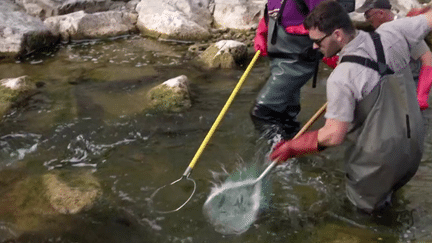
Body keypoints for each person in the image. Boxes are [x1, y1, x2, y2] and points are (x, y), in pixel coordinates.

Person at [270, 0, 432, 214]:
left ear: (337, 35)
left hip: (378, 164)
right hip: (413, 152)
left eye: (318, 42)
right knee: (393, 203)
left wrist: (292, 147)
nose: (315, 47)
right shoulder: (394, 31)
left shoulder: (341, 77)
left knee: (364, 219)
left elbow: (333, 135)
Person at [251, 0, 338, 142]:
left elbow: (328, 22)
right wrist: (262, 32)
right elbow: (274, 13)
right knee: (284, 116)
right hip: (278, 61)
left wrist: (334, 55)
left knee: (262, 113)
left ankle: (278, 153)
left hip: (296, 62)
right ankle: (293, 155)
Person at [356, 0, 432, 111]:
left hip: (415, 87)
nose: (366, 20)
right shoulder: (382, 32)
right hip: (398, 88)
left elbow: (428, 59)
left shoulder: (403, 28)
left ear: (381, 13)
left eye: (367, 15)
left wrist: (421, 95)